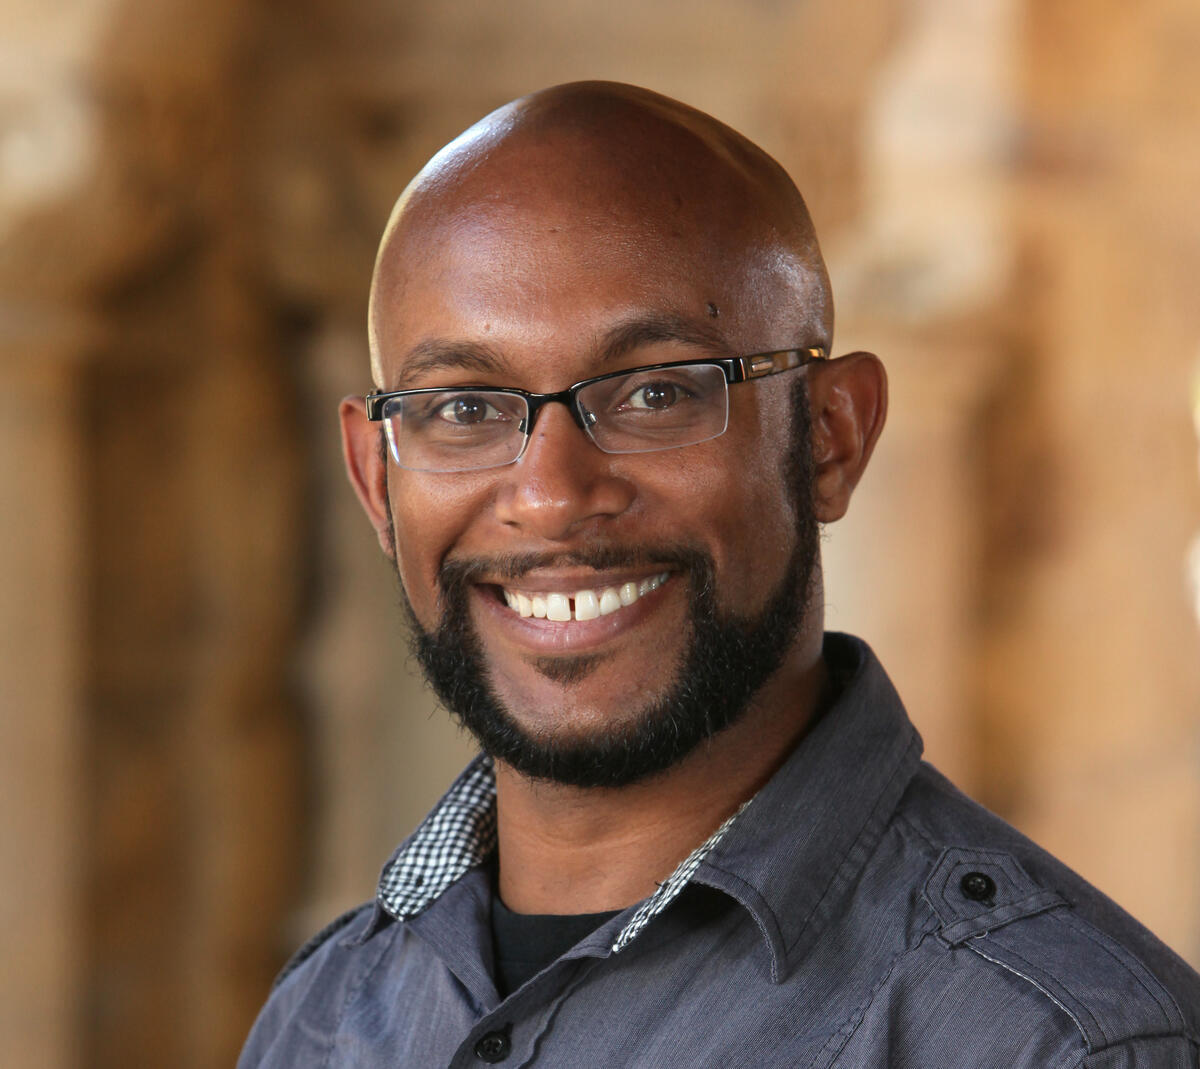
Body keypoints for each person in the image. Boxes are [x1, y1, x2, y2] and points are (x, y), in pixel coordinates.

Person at [239, 82, 1200, 1067]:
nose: (553, 495)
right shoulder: (323, 1018)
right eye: (464, 409)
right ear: (376, 477)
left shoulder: (1062, 1046)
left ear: (831, 437)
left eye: (657, 393)